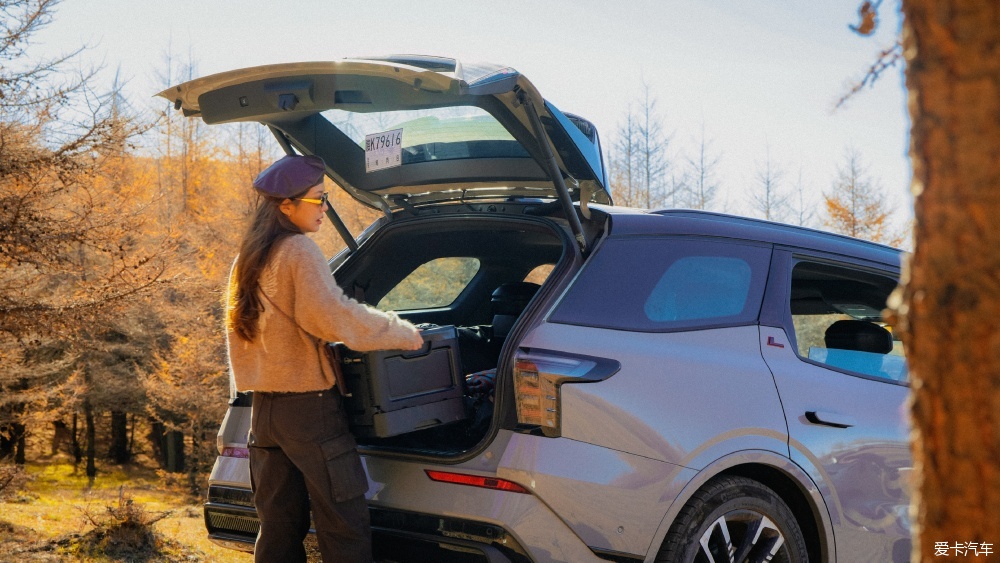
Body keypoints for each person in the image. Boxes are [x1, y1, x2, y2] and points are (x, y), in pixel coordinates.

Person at [225, 154, 424, 563]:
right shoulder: (298, 250)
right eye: (318, 199)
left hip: (264, 412)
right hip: (309, 409)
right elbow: (333, 318)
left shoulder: (247, 258)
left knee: (277, 527)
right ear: (286, 206)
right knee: (343, 522)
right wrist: (400, 332)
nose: (326, 208)